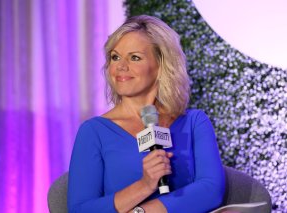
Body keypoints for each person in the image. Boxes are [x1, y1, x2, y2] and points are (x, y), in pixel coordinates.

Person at [67, 15, 225, 213]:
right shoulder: (93, 131)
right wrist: (145, 185)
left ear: (161, 66)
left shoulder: (194, 122)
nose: (120, 67)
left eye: (135, 57)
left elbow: (211, 190)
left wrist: (145, 212)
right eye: (115, 57)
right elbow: (80, 210)